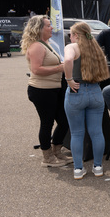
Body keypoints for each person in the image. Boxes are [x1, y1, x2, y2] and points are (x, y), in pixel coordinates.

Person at [21, 15, 72, 167]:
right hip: (42, 90)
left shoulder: (45, 44)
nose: (52, 28)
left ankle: (57, 151)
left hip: (53, 89)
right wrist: (59, 67)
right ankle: (47, 158)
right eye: (48, 26)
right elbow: (36, 69)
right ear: (39, 29)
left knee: (63, 121)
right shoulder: (37, 46)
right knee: (47, 123)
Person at [63, 22, 110, 180]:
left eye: (71, 34)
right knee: (97, 132)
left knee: (77, 133)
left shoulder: (72, 47)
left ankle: (78, 169)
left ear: (76, 35)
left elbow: (68, 60)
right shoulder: (95, 47)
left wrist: (68, 79)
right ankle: (98, 166)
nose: (70, 37)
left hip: (76, 91)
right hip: (95, 91)